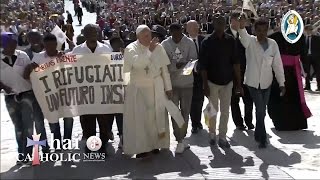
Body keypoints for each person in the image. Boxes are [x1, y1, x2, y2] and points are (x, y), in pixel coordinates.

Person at [123, 25, 173, 158]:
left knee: (156, 118)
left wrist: (168, 88)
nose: (149, 38)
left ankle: (156, 144)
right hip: (138, 90)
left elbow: (164, 70)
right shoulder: (131, 48)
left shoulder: (159, 47)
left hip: (156, 87)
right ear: (138, 36)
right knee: (141, 120)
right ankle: (142, 149)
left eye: (149, 35)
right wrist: (149, 51)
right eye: (145, 36)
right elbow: (137, 64)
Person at [237, 17, 286, 148]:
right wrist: (241, 27)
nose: (261, 33)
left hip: (267, 83)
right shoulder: (250, 42)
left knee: (261, 111)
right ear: (255, 30)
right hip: (252, 82)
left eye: (264, 30)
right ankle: (263, 139)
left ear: (268, 30)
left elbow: (277, 64)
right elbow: (243, 37)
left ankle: (258, 134)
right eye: (258, 30)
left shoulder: (273, 44)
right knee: (260, 109)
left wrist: (282, 83)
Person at [24, 34, 74, 150]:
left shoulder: (63, 55)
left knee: (68, 119)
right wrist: (30, 68)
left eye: (53, 45)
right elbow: (28, 76)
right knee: (53, 120)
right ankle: (57, 144)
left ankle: (67, 143)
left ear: (56, 44)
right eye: (48, 46)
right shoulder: (38, 58)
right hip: (49, 96)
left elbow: (73, 71)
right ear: (44, 46)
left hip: (65, 94)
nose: (51, 48)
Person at [199, 15, 242, 149]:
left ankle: (222, 136)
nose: (220, 25)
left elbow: (235, 62)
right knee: (212, 110)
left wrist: (239, 83)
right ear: (213, 24)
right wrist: (204, 84)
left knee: (225, 110)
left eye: (222, 23)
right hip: (212, 81)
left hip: (227, 81)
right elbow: (203, 66)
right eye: (217, 23)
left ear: (225, 24)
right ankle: (211, 133)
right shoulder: (206, 42)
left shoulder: (230, 40)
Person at [71, 24, 112, 153]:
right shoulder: (77, 51)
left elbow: (114, 67)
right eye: (90, 32)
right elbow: (71, 69)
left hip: (102, 91)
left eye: (95, 32)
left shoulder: (106, 48)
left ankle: (103, 145)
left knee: (104, 120)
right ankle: (92, 146)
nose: (93, 34)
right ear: (85, 34)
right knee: (88, 121)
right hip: (85, 93)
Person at [162, 23, 197, 153]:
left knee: (185, 111)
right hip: (172, 85)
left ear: (182, 31)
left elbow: (194, 60)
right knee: (174, 112)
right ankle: (179, 139)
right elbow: (163, 64)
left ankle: (182, 138)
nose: (176, 37)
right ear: (170, 32)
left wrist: (185, 65)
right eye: (173, 35)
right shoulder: (165, 44)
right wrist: (173, 66)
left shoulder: (189, 43)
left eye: (178, 34)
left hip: (187, 84)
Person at [268, 30, 312, 131]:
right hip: (279, 70)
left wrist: (305, 69)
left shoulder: (299, 36)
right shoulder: (276, 36)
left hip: (293, 72)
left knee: (293, 96)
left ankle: (295, 122)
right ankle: (281, 122)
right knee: (280, 95)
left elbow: (303, 53)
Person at [0, 32, 34, 165]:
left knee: (29, 127)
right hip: (10, 97)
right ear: (3, 45)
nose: (14, 46)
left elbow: (31, 72)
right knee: (18, 127)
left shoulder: (23, 55)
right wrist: (3, 86)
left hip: (27, 94)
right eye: (10, 43)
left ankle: (30, 154)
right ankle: (21, 154)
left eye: (15, 43)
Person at [23, 30, 50, 153]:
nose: (34, 40)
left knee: (53, 121)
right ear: (28, 40)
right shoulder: (24, 55)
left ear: (41, 37)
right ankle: (43, 148)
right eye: (31, 38)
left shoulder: (50, 51)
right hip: (33, 93)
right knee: (38, 123)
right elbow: (24, 75)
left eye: (37, 37)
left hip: (51, 91)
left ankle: (59, 146)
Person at [226, 12, 254, 131]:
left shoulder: (246, 33)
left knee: (248, 99)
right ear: (231, 20)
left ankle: (249, 121)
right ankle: (238, 122)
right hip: (231, 73)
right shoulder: (225, 35)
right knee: (234, 99)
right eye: (237, 20)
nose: (239, 22)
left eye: (242, 20)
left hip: (246, 71)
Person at [186, 20, 205, 134]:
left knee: (200, 99)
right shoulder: (184, 42)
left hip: (202, 75)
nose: (195, 28)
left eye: (196, 26)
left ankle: (198, 121)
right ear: (187, 29)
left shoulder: (204, 40)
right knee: (193, 100)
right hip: (190, 75)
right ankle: (195, 123)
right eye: (192, 27)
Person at [107, 37, 125, 149]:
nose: (119, 47)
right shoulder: (107, 57)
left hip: (122, 92)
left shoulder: (127, 55)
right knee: (109, 116)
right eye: (117, 45)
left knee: (120, 116)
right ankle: (108, 132)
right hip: (108, 92)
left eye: (121, 44)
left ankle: (122, 137)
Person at [303, 25, 320, 91]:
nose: (309, 31)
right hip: (307, 57)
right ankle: (307, 86)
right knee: (306, 72)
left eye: (311, 29)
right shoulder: (303, 38)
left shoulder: (317, 38)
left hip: (316, 58)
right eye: (308, 29)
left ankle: (319, 86)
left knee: (318, 72)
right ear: (305, 30)